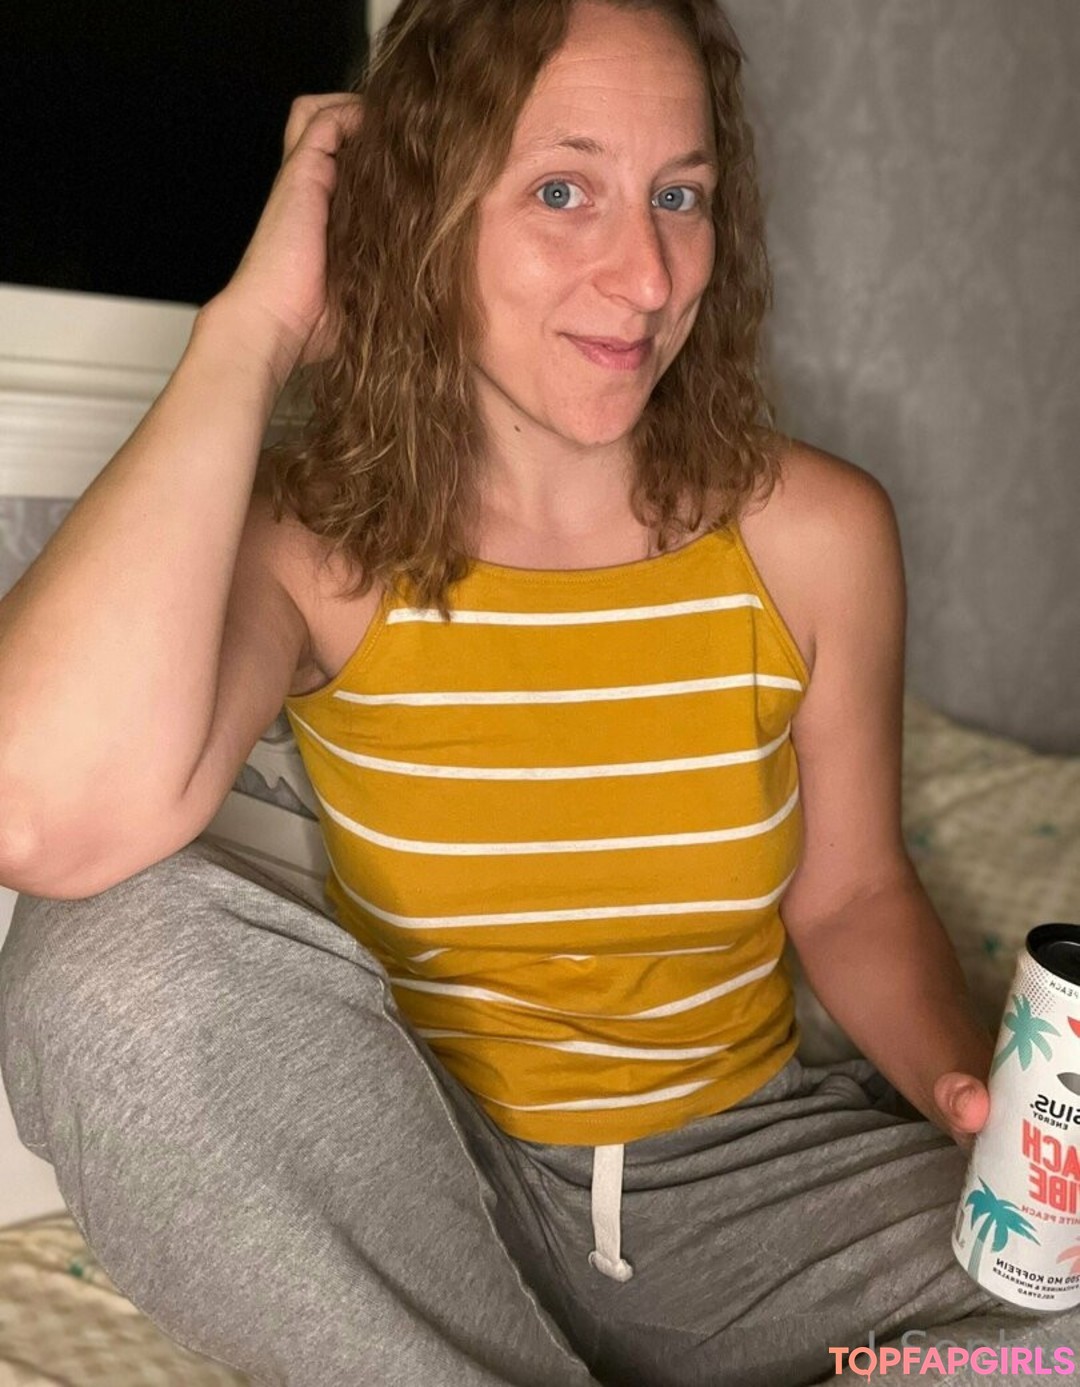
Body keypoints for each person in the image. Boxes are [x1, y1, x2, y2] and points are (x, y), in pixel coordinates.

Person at [0, 1, 1073, 1383]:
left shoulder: (819, 536)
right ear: (426, 216)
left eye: (679, 196)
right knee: (102, 965)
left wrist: (970, 1104)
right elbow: (39, 817)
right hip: (439, 1195)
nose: (647, 276)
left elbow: (855, 895)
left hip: (752, 1192)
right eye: (564, 190)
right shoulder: (314, 547)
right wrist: (250, 330)